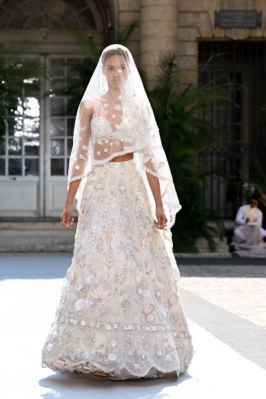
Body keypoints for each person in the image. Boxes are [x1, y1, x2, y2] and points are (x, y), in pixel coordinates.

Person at [41, 44, 193, 380]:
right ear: (102, 70)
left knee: (137, 261)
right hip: (100, 188)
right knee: (97, 258)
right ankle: (92, 349)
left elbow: (150, 158)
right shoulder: (89, 105)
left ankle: (141, 346)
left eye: (120, 68)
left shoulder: (138, 107)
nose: (115, 73)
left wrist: (157, 203)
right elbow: (79, 155)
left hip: (133, 189)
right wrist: (69, 202)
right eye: (109, 68)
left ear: (128, 71)